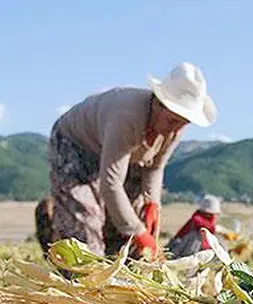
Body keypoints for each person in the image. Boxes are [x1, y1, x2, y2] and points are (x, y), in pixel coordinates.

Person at [37, 62, 217, 259]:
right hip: (77, 145)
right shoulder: (126, 117)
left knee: (132, 213)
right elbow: (111, 185)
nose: (175, 130)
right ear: (157, 104)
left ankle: (117, 263)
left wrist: (152, 204)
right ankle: (60, 240)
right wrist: (138, 231)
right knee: (85, 222)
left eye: (183, 124)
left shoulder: (174, 128)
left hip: (122, 154)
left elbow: (154, 168)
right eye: (172, 121)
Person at [166, 194, 238, 257]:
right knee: (198, 234)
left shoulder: (205, 222)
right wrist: (221, 230)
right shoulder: (197, 219)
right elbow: (203, 224)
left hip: (190, 249)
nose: (213, 217)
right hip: (178, 248)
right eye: (212, 214)